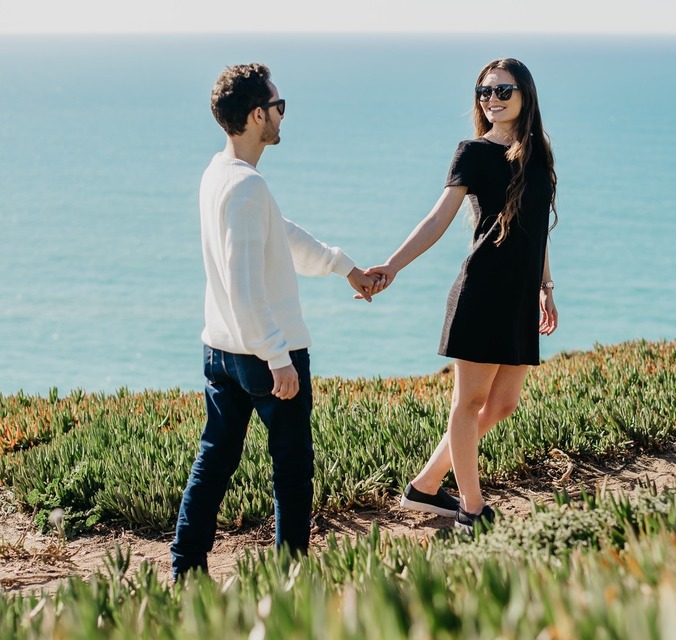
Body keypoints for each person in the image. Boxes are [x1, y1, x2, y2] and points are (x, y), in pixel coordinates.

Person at [171, 63, 379, 579]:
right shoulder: (246, 187)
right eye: (279, 106)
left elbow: (279, 234)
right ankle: (292, 578)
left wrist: (342, 266)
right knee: (291, 469)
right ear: (258, 114)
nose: (284, 114)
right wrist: (278, 357)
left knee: (214, 464)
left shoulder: (221, 176)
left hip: (221, 349)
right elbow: (246, 286)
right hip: (263, 355)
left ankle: (185, 573)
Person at [368, 58, 558, 534]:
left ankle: (426, 485)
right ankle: (472, 508)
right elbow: (437, 219)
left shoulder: (538, 153)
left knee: (503, 405)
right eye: (483, 92)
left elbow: (538, 229)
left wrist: (546, 287)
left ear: (524, 94)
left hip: (519, 297)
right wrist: (391, 265)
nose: (490, 100)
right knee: (469, 402)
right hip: (482, 291)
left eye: (501, 91)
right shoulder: (472, 152)